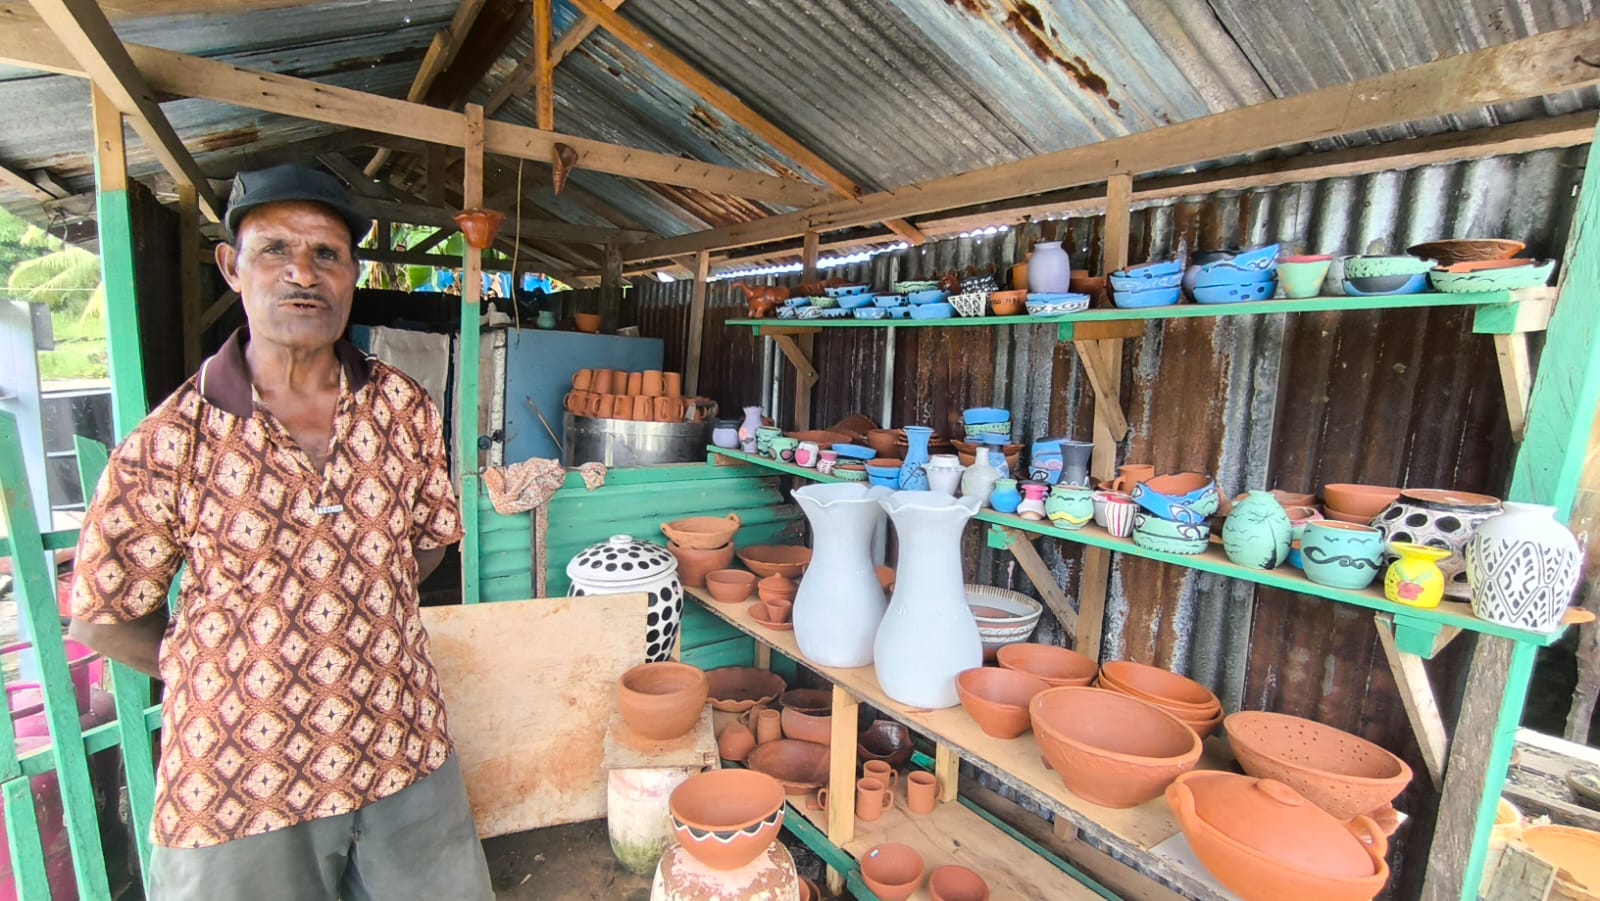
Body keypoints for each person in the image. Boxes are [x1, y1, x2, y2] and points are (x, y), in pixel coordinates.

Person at [68, 164, 494, 901]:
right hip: (242, 782)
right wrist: (229, 673)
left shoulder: (403, 408)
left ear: (353, 275)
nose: (303, 272)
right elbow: (105, 616)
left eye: (327, 253)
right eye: (275, 250)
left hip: (402, 749)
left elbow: (429, 540)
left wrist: (354, 604)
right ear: (232, 267)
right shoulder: (172, 438)